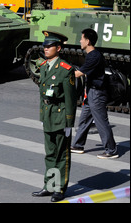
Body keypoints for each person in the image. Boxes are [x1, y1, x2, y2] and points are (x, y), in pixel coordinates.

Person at [32, 31, 77, 202]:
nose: (46, 48)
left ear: (58, 48)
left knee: (61, 154)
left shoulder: (66, 70)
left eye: (49, 46)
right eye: (45, 45)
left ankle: (60, 189)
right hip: (48, 116)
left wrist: (69, 122)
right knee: (50, 153)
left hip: (60, 116)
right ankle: (49, 185)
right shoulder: (44, 66)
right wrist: (43, 115)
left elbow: (70, 99)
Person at [71, 28, 118, 159]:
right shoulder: (91, 55)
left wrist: (61, 72)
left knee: (101, 122)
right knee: (84, 119)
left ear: (88, 41)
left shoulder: (94, 56)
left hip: (97, 93)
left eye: (82, 38)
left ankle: (111, 150)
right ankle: (77, 145)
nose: (80, 41)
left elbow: (78, 73)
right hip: (91, 91)